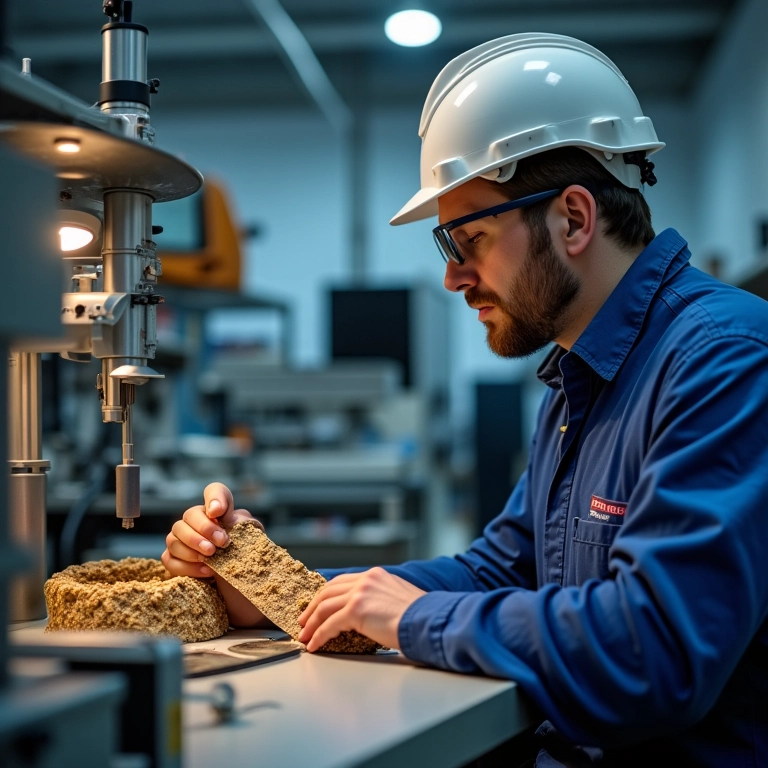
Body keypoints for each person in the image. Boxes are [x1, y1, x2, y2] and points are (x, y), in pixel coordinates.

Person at [162, 33, 768, 767]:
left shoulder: (723, 358)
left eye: (468, 239)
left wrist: (417, 618)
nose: (455, 279)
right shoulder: (579, 379)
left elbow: (655, 655)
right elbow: (501, 572)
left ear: (573, 219)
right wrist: (284, 594)